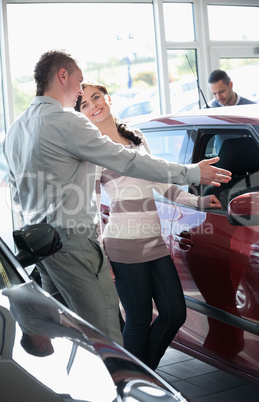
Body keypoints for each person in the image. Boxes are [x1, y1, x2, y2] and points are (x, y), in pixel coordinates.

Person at [3, 50, 231, 347]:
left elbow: (19, 192)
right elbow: (128, 162)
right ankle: (120, 392)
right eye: (79, 82)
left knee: (68, 336)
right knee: (107, 334)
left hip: (40, 245)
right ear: (63, 76)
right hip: (74, 242)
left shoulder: (15, 129)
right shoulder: (68, 123)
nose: (80, 93)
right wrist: (190, 173)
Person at [75, 81, 222, 369]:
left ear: (108, 97)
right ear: (80, 114)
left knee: (174, 314)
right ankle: (135, 386)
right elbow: (90, 209)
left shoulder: (137, 137)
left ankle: (139, 380)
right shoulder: (91, 152)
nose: (93, 105)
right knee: (139, 320)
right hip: (122, 246)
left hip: (154, 242)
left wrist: (197, 203)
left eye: (96, 97)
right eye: (84, 104)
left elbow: (160, 183)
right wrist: (101, 258)